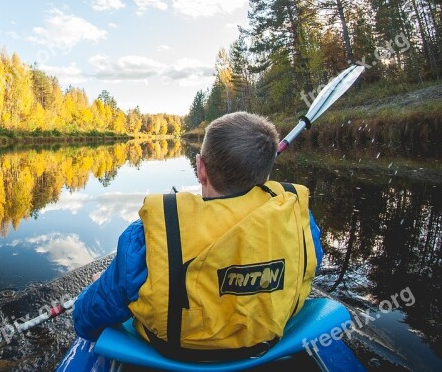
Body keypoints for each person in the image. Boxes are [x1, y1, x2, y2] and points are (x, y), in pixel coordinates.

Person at [71, 111, 324, 361]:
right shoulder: (300, 221)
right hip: (263, 347)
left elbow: (85, 321)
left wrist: (102, 285)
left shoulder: (146, 238)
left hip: (173, 353)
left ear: (200, 168)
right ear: (267, 175)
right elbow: (307, 269)